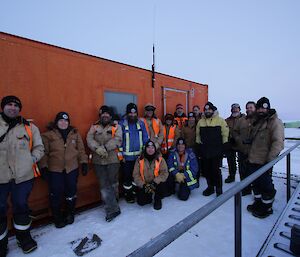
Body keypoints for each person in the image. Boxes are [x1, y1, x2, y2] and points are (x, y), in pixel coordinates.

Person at [0, 96, 44, 256]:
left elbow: (39, 147)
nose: (12, 108)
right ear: (3, 107)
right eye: (9, 105)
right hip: (1, 178)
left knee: (21, 207)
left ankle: (24, 238)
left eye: (16, 105)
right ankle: (1, 244)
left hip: (23, 177)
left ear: (20, 109)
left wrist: (30, 160)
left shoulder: (29, 127)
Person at [39, 112, 88, 228]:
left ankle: (70, 213)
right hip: (55, 170)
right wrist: (43, 167)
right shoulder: (47, 135)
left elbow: (81, 150)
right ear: (56, 122)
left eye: (66, 121)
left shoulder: (75, 134)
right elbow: (43, 153)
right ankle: (57, 217)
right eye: (61, 120)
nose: (63, 123)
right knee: (56, 193)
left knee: (71, 191)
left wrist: (84, 162)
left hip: (72, 168)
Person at [246, 97, 284, 218]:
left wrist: (269, 161)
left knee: (266, 185)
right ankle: (258, 202)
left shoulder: (275, 122)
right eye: (259, 108)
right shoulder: (259, 121)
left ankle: (267, 207)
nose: (261, 110)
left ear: (268, 108)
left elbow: (278, 142)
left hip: (264, 161)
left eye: (264, 107)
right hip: (253, 159)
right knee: (256, 184)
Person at [86, 105, 122, 222]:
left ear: (110, 116)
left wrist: (105, 148)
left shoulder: (116, 126)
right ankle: (112, 209)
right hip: (98, 160)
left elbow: (118, 139)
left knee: (113, 183)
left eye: (107, 114)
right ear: (100, 115)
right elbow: (89, 138)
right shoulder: (94, 126)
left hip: (112, 159)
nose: (105, 115)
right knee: (104, 184)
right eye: (103, 114)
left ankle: (113, 203)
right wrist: (97, 149)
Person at [196, 102, 229, 197]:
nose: (207, 111)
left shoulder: (220, 121)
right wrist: (198, 145)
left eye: (209, 109)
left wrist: (225, 145)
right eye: (205, 110)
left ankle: (219, 189)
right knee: (206, 170)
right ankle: (210, 187)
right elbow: (198, 135)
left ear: (213, 110)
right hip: (205, 151)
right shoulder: (200, 122)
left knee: (215, 171)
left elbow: (225, 133)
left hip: (216, 151)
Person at [119, 103, 148, 203]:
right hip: (126, 158)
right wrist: (120, 157)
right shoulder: (121, 124)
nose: (132, 115)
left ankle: (136, 192)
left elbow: (145, 138)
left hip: (139, 157)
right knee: (127, 178)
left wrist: (145, 153)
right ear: (127, 114)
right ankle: (128, 195)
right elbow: (119, 141)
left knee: (137, 176)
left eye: (134, 113)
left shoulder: (141, 123)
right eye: (130, 113)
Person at [133, 140, 169, 210]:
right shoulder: (139, 159)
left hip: (156, 184)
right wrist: (143, 185)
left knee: (161, 187)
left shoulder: (160, 159)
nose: (150, 149)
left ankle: (157, 199)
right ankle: (149, 195)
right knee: (141, 202)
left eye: (152, 148)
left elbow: (164, 173)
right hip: (145, 184)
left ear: (155, 149)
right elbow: (135, 174)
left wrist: (155, 182)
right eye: (148, 147)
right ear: (145, 149)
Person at [232, 101, 256, 196]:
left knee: (254, 171)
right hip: (242, 149)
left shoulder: (259, 120)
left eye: (251, 107)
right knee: (242, 170)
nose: (249, 109)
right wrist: (238, 139)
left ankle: (255, 189)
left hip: (254, 151)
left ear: (255, 108)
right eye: (247, 107)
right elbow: (234, 131)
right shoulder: (241, 120)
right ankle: (245, 189)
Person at [225, 103, 245, 183]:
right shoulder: (227, 120)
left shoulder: (245, 118)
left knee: (242, 162)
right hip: (230, 143)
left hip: (241, 143)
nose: (235, 110)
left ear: (239, 109)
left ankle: (243, 179)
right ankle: (231, 176)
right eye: (233, 108)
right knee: (230, 161)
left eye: (236, 108)